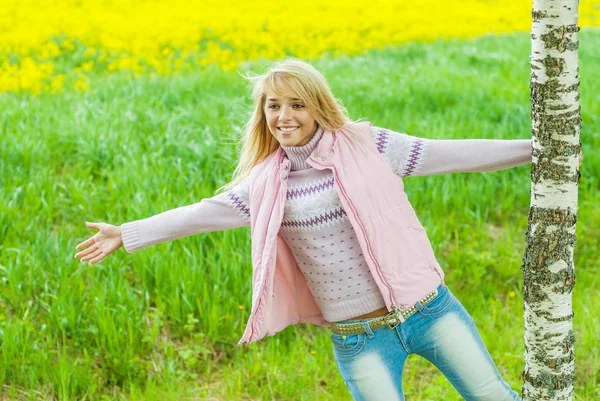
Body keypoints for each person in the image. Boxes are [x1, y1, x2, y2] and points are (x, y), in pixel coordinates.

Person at [74, 58, 583, 401]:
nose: (283, 115)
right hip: (358, 338)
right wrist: (129, 232)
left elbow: (450, 154)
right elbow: (200, 213)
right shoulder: (265, 183)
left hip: (429, 311)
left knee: (494, 397)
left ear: (317, 105)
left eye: (295, 104)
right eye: (273, 106)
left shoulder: (367, 145)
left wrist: (538, 148)